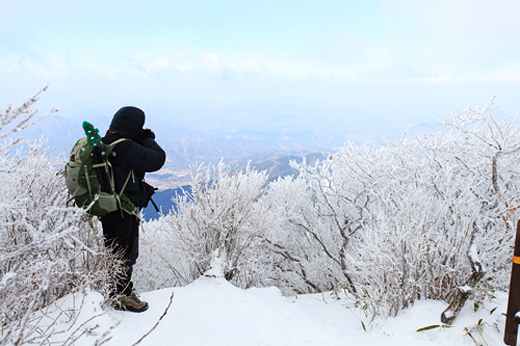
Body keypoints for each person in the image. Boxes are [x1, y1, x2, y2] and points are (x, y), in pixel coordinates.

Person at [100, 106, 166, 313]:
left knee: (113, 250)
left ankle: (114, 291)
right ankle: (122, 297)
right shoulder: (125, 147)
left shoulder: (105, 143)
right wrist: (147, 138)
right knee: (125, 253)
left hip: (105, 206)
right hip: (122, 208)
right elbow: (157, 158)